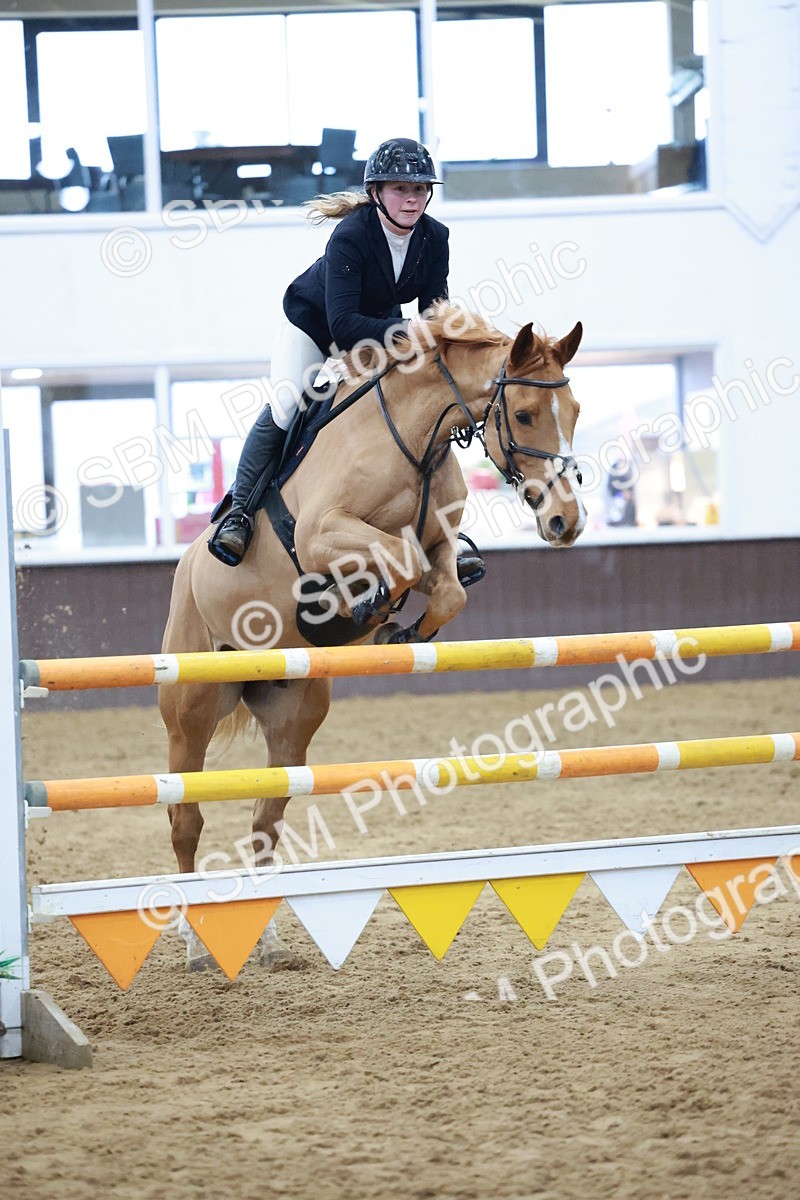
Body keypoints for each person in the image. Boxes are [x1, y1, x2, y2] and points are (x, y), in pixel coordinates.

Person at [208, 136, 451, 567]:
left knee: (418, 402)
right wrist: (412, 329)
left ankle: (443, 529)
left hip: (378, 329)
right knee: (288, 405)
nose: (412, 200)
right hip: (315, 327)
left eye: (419, 190)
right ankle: (239, 512)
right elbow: (343, 324)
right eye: (400, 189)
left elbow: (434, 309)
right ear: (376, 192)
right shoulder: (351, 235)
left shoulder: (435, 237)